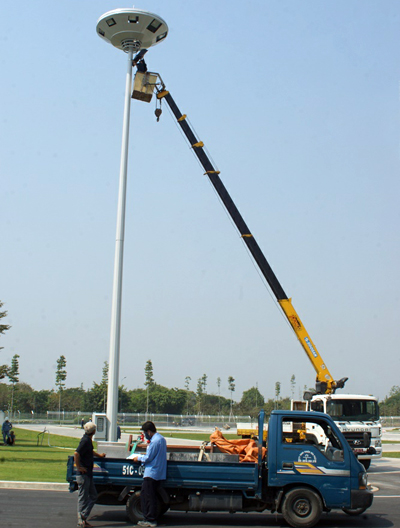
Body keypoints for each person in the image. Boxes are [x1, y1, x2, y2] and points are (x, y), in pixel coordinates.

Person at [131, 421, 167, 528]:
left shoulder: (154, 441)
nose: (145, 434)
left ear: (149, 431)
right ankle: (150, 517)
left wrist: (138, 458)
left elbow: (148, 457)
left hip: (151, 473)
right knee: (150, 496)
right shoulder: (161, 439)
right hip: (158, 472)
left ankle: (149, 519)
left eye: (145, 432)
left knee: (147, 497)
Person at [74, 422, 106, 527]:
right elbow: (76, 453)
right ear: (94, 431)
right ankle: (81, 519)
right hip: (83, 475)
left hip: (88, 474)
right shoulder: (84, 441)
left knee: (93, 496)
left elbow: (90, 451)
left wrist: (99, 455)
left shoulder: (87, 440)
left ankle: (83, 516)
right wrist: (78, 467)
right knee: (83, 497)